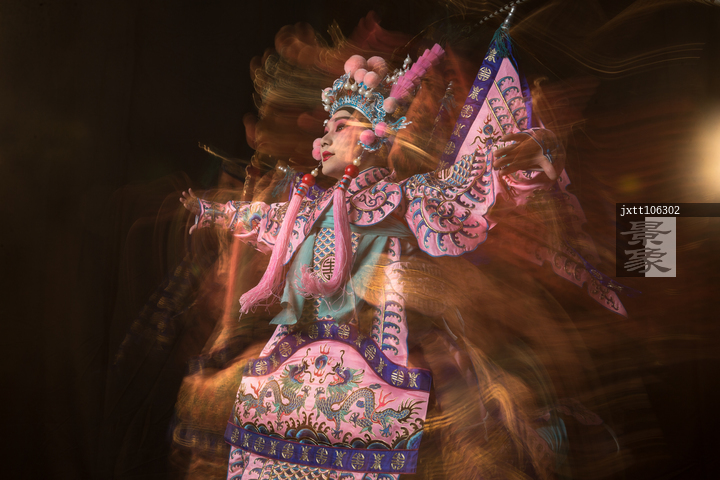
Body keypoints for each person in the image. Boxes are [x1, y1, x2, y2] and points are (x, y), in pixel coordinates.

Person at [180, 34, 580, 479]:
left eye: (339, 126)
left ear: (373, 136)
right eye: (326, 128)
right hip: (296, 361)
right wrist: (212, 211)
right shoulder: (304, 208)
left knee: (458, 419)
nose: (322, 139)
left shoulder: (403, 197)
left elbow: (475, 177)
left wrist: (539, 150)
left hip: (378, 356)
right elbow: (262, 217)